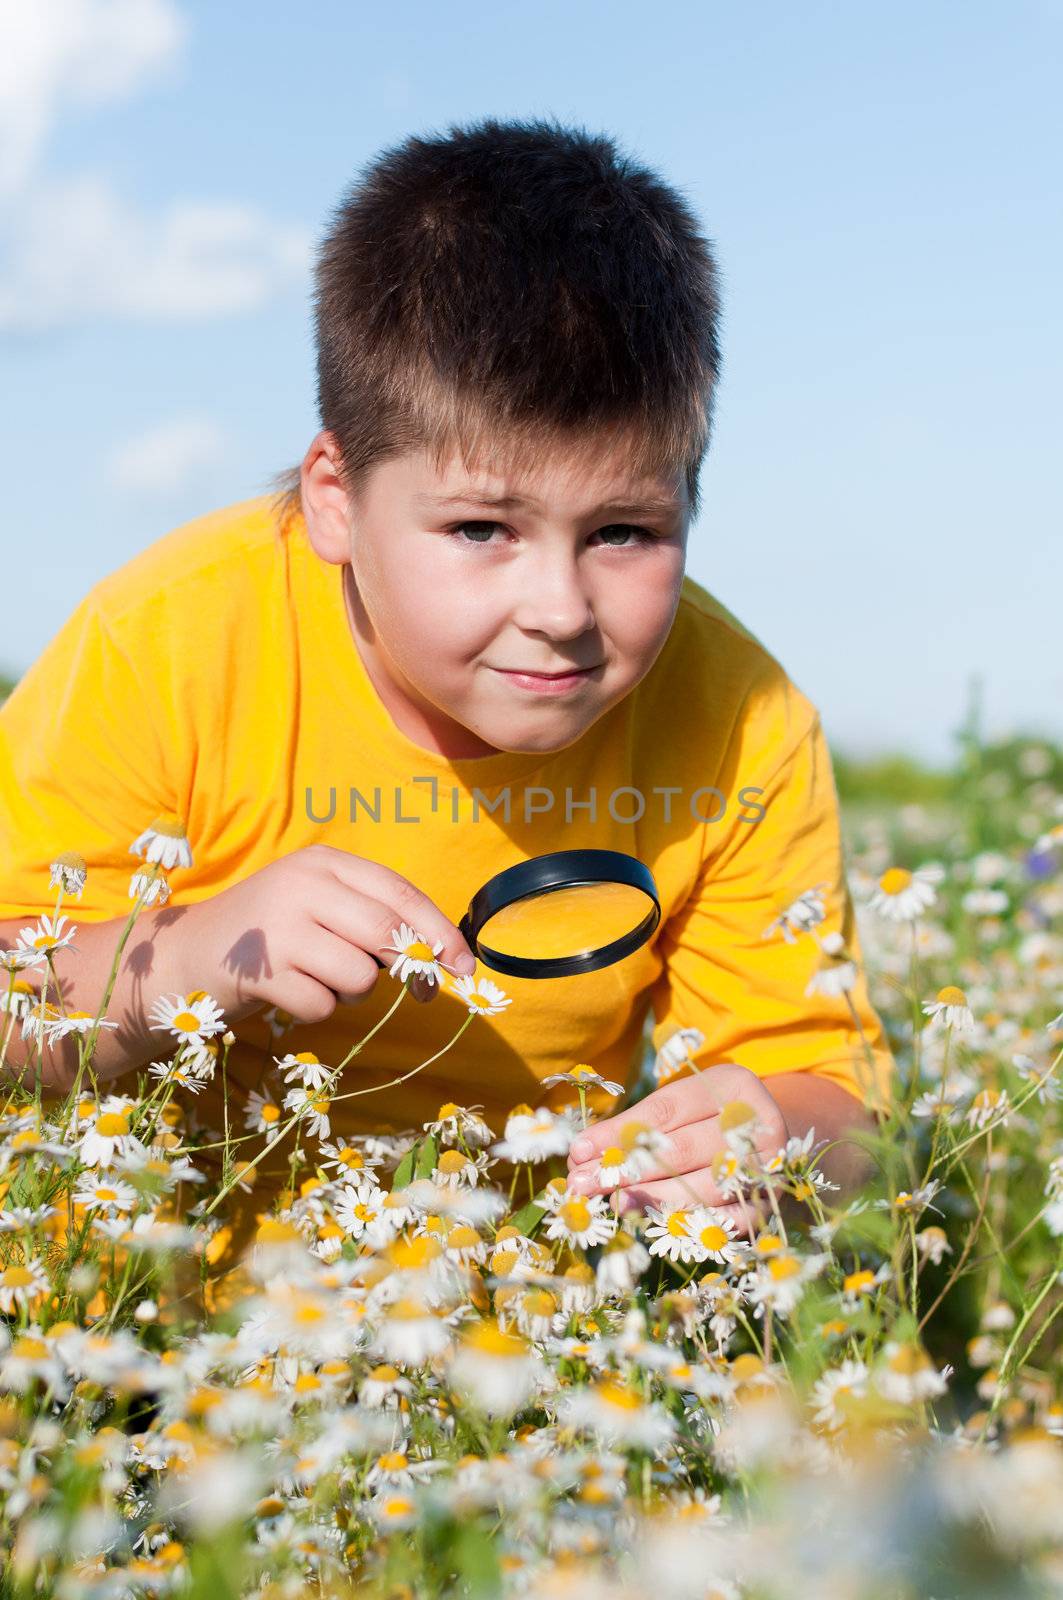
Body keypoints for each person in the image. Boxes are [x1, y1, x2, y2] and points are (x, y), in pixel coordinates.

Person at [0, 116, 893, 1232]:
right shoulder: (165, 642)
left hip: (514, 1357)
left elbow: (840, 1105)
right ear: (335, 494)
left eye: (623, 531)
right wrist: (184, 956)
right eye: (480, 528)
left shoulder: (741, 719)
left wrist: (769, 1136)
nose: (560, 609)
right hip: (133, 1337)